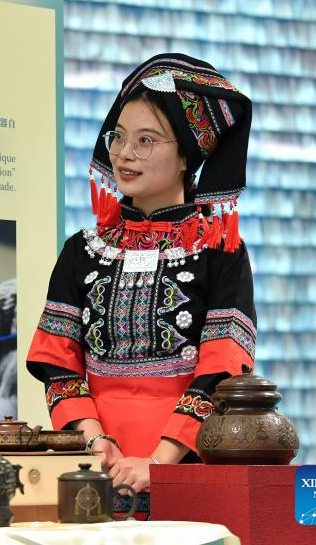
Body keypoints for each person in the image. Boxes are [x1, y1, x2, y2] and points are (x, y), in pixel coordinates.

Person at [27, 53, 256, 495]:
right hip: (96, 469)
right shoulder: (82, 250)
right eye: (119, 137)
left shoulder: (220, 250)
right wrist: (94, 443)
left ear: (187, 155)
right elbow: (57, 360)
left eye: (146, 140)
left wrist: (159, 463)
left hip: (186, 468)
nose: (124, 154)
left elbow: (225, 366)